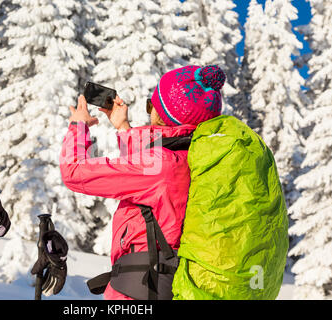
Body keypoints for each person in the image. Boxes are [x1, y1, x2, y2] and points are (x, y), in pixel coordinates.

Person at [60, 65, 226, 300]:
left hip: (141, 287)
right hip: (172, 283)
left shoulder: (157, 167)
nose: (150, 112)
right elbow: (153, 169)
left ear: (164, 116)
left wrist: (78, 126)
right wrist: (124, 128)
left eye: (152, 105)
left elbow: (74, 171)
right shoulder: (197, 159)